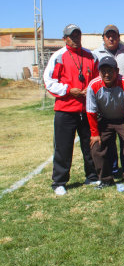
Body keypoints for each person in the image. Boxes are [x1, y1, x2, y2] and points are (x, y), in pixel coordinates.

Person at [43, 24, 99, 195]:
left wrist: (90, 90)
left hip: (86, 110)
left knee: (89, 145)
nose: (75, 38)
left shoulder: (91, 56)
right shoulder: (58, 56)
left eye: (77, 35)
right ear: (64, 38)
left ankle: (92, 175)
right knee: (63, 147)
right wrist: (68, 90)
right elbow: (49, 82)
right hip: (66, 110)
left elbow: (97, 80)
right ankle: (59, 181)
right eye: (71, 36)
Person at [86, 56, 124, 189]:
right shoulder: (93, 85)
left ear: (117, 70)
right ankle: (105, 178)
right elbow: (91, 111)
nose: (106, 74)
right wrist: (95, 134)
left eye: (110, 70)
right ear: (99, 72)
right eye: (103, 71)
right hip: (105, 119)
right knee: (96, 146)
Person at [93, 24, 124, 177]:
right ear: (103, 38)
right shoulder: (95, 54)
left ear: (118, 37)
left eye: (114, 35)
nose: (111, 38)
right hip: (106, 105)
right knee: (107, 144)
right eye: (108, 35)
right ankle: (112, 170)